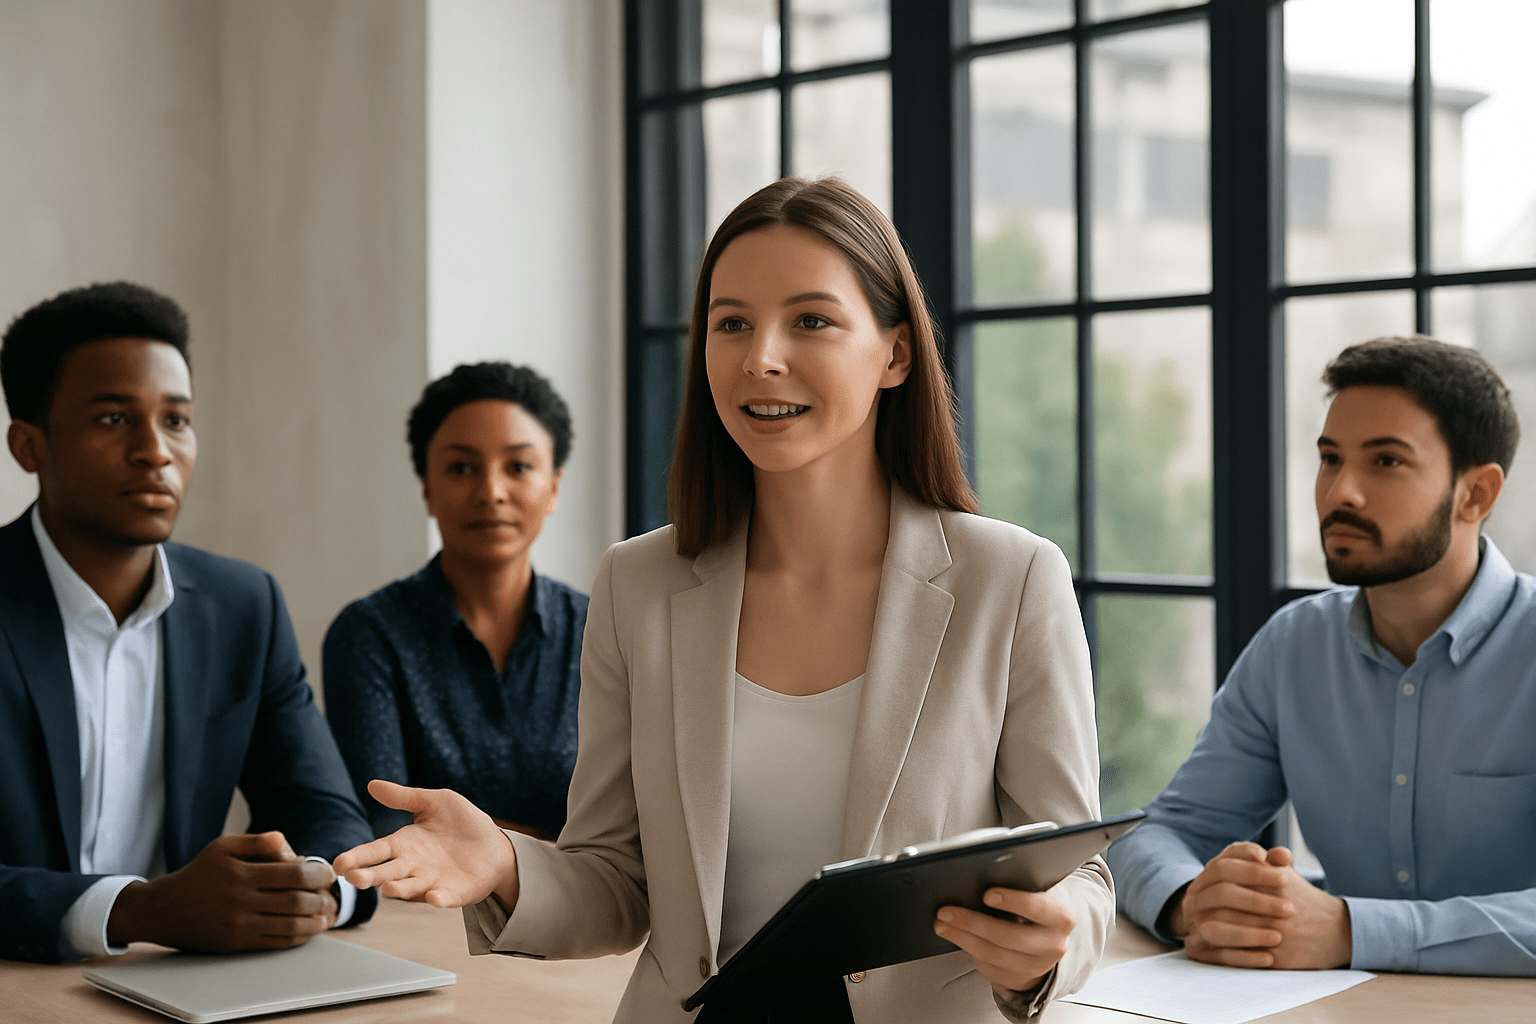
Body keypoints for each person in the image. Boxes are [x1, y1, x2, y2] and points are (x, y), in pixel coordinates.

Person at [335, 177, 1111, 1023]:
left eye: (810, 320)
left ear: (894, 353)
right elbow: (620, 883)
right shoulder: (639, 585)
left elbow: (1078, 872)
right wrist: (506, 862)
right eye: (731, 322)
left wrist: (1055, 937)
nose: (760, 357)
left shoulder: (1013, 578)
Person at [1106, 335, 1535, 976]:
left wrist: (1350, 930)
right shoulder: (1294, 646)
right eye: (1330, 459)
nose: (1342, 493)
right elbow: (1159, 834)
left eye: (1386, 462)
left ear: (1476, 494)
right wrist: (1193, 902)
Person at [0, 282, 377, 964]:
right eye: (114, 420)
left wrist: (309, 888)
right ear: (29, 447)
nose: (156, 451)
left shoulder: (244, 606)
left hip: (185, 988)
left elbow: (324, 813)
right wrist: (139, 909)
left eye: (175, 420)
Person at [323, 362, 585, 841]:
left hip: (585, 914)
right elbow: (384, 823)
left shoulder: (603, 629)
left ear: (554, 487)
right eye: (462, 467)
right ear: (427, 489)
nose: (491, 492)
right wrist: (552, 849)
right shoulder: (369, 635)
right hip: (420, 913)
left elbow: (631, 828)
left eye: (519, 467)